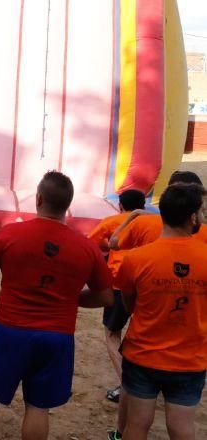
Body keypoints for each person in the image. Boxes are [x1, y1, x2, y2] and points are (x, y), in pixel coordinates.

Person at [0, 171, 113, 440]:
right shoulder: (86, 248)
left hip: (11, 329)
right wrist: (72, 299)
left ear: (38, 199)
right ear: (68, 205)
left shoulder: (9, 234)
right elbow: (106, 297)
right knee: (38, 406)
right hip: (57, 336)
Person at [114, 183, 207, 440]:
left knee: (137, 424)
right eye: (201, 212)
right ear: (191, 218)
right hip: (190, 358)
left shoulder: (136, 258)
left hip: (143, 354)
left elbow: (128, 303)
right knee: (182, 427)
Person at [86, 188, 146, 403]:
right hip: (146, 284)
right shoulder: (151, 223)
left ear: (120, 205)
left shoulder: (113, 221)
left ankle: (127, 387)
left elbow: (90, 243)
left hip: (120, 284)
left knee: (112, 334)